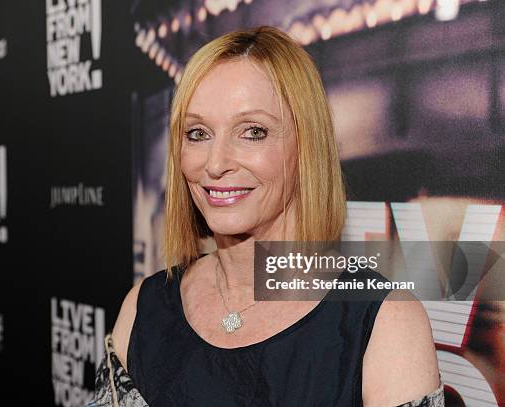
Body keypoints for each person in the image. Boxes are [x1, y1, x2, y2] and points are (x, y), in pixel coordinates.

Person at [88, 25, 444, 406]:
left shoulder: (384, 324)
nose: (216, 162)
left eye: (253, 132)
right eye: (197, 133)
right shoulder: (144, 308)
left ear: (305, 146)